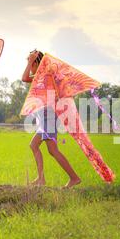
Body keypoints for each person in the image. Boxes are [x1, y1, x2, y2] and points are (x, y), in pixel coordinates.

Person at [22, 50, 81, 189]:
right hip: (46, 117)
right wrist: (31, 60)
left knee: (53, 150)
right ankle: (41, 178)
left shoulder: (45, 75)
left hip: (48, 116)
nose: (30, 67)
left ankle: (74, 178)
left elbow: (24, 78)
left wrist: (31, 60)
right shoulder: (43, 76)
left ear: (37, 63)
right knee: (34, 145)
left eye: (31, 64)